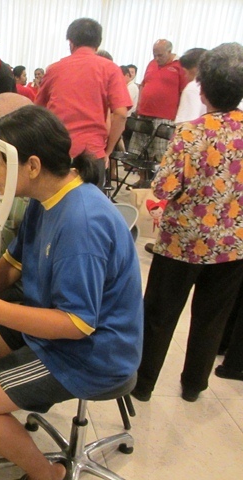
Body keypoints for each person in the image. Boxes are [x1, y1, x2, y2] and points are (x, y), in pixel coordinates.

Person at [0, 105, 143, 480]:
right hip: (52, 327)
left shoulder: (82, 223)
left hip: (90, 355)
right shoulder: (45, 201)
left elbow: (76, 324)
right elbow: (11, 265)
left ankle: (48, 474)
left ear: (32, 165)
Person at [131, 42, 243, 403]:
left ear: (203, 87)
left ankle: (143, 384)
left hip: (183, 240)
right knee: (212, 319)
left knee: (160, 315)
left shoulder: (192, 133)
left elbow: (165, 186)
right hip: (233, 244)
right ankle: (194, 385)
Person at [35, 18, 132, 189]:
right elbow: (121, 114)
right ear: (98, 43)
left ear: (71, 43)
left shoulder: (54, 69)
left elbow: (38, 112)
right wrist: (107, 152)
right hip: (92, 155)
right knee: (88, 211)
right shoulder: (110, 69)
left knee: (52, 209)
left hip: (57, 153)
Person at [129, 39, 187, 182]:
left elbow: (183, 92)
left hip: (165, 117)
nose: (156, 58)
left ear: (169, 51)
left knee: (161, 153)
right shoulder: (151, 64)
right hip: (144, 113)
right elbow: (143, 84)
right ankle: (142, 180)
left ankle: (158, 182)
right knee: (142, 152)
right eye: (154, 54)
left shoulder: (179, 66)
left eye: (160, 55)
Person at [175, 48, 208, 123]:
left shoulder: (193, 87)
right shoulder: (217, 86)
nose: (185, 76)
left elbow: (186, 123)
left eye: (185, 72)